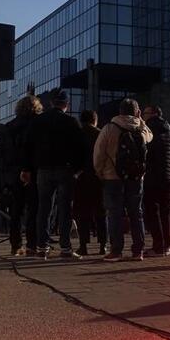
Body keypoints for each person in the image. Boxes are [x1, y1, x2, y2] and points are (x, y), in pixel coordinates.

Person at [21, 90, 84, 259]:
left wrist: (27, 168)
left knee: (44, 209)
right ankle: (65, 248)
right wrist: (77, 169)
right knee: (65, 209)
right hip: (65, 169)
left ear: (51, 103)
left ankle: (42, 247)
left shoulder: (38, 121)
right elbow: (81, 148)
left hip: (43, 169)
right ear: (66, 105)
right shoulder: (71, 122)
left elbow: (28, 146)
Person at [94, 97, 153, 261]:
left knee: (114, 213)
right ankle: (137, 250)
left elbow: (98, 154)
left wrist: (100, 172)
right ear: (137, 111)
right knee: (136, 213)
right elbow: (150, 136)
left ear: (119, 111)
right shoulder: (141, 130)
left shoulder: (109, 128)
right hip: (136, 177)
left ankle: (116, 250)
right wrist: (140, 119)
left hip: (112, 177)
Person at [0, 94, 42, 256]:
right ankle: (32, 244)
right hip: (33, 171)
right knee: (34, 209)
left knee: (16, 210)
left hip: (13, 173)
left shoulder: (8, 127)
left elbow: (1, 155)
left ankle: (16, 245)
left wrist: (2, 178)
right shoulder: (37, 125)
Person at [142, 105, 170, 256]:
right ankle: (167, 246)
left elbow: (145, 152)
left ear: (152, 114)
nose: (143, 116)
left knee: (152, 211)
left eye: (145, 113)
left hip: (153, 176)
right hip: (169, 177)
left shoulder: (149, 130)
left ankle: (158, 246)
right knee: (165, 213)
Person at [73, 109, 107, 256]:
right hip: (99, 177)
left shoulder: (76, 135)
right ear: (95, 120)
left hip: (81, 178)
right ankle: (103, 245)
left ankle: (83, 245)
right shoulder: (101, 134)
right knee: (101, 212)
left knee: (82, 213)